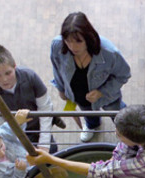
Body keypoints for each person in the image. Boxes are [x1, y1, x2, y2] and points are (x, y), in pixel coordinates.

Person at [50, 11, 131, 142]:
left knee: (118, 113)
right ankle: (92, 125)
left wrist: (101, 92)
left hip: (108, 97)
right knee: (87, 112)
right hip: (79, 95)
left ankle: (127, 131)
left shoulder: (109, 53)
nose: (72, 47)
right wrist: (60, 88)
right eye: (68, 41)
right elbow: (56, 67)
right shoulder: (57, 46)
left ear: (88, 37)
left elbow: (123, 75)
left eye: (78, 42)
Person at [0, 44, 61, 154]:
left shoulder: (30, 77)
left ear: (14, 66)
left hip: (39, 130)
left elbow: (45, 108)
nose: (4, 80)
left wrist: (44, 144)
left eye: (8, 73)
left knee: (54, 154)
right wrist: (20, 151)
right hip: (13, 138)